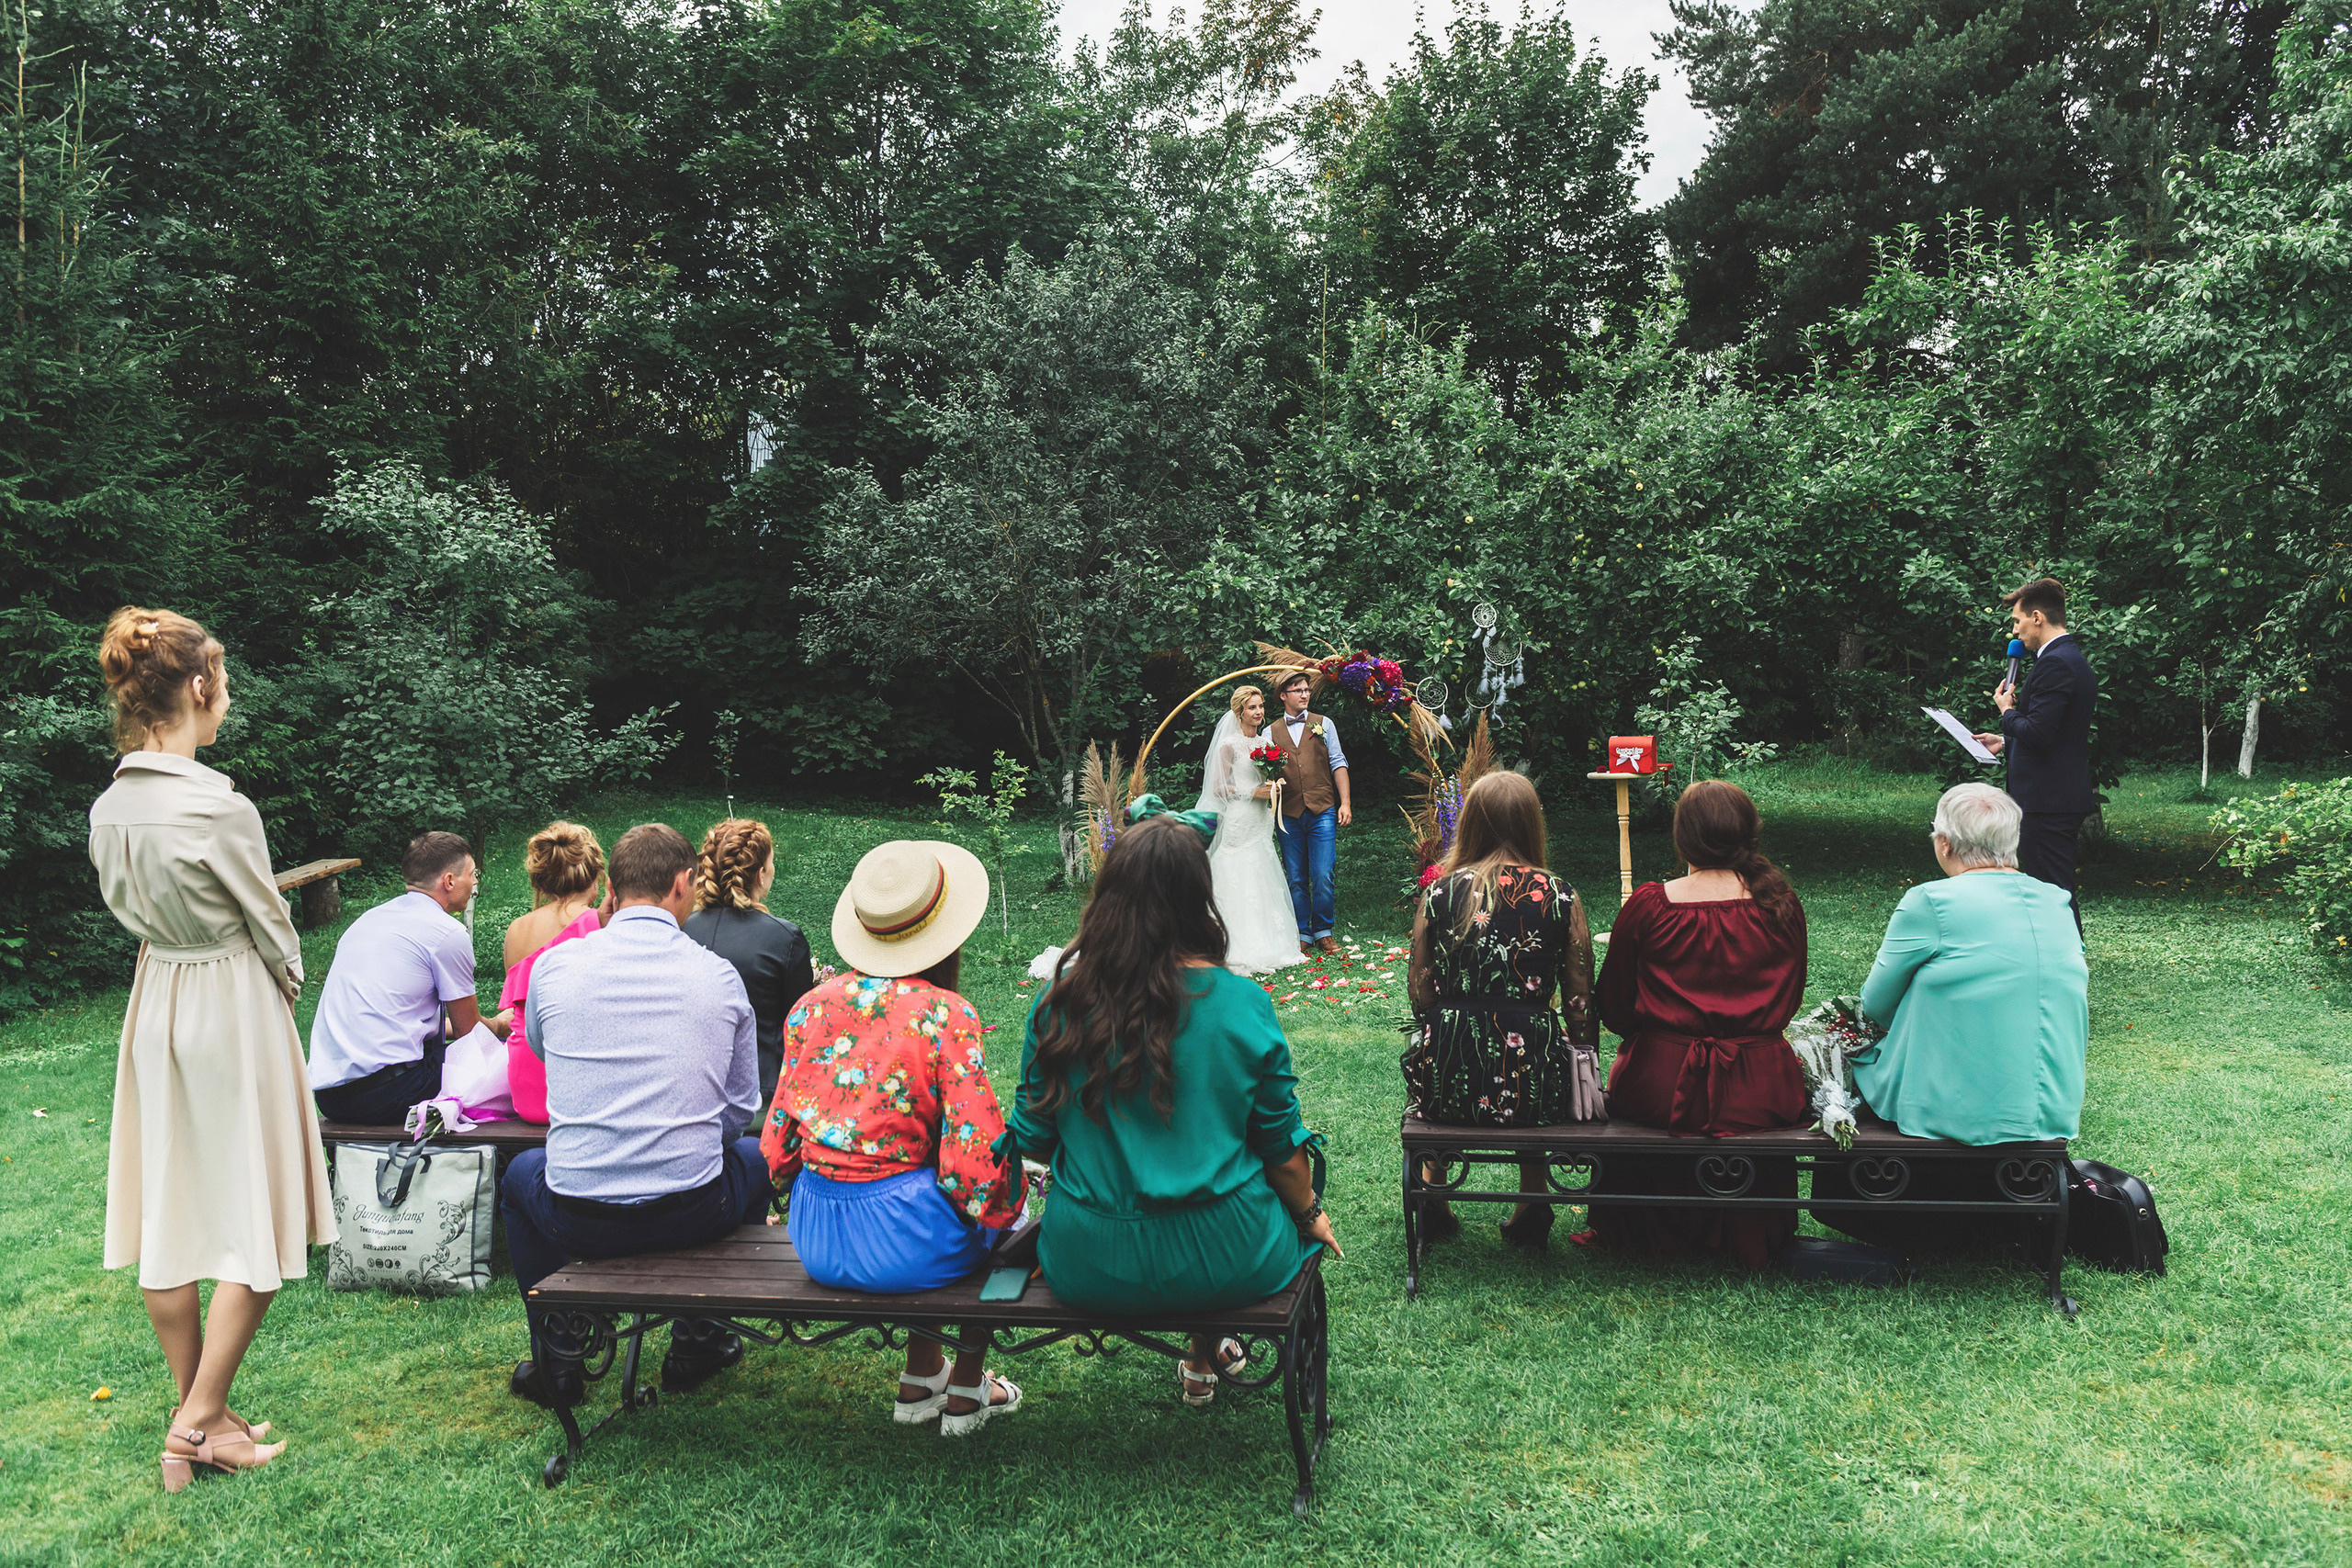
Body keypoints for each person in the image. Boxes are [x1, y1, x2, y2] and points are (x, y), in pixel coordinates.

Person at [87, 605, 337, 1491]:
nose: (226, 699)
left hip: (157, 996)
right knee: (257, 1208)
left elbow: (129, 909)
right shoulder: (218, 806)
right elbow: (272, 923)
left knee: (170, 1204)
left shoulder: (109, 808)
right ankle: (195, 1425)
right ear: (198, 687)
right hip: (230, 997)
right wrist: (287, 981)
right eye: (223, 683)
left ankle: (210, 1413)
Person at [1003, 810, 1340, 1407]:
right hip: (1228, 1254)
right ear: (1199, 899)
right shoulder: (1242, 1003)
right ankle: (1205, 1348)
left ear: (1109, 897)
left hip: (1092, 1257)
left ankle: (1205, 1351)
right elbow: (1280, 1150)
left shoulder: (1058, 1004)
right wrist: (1311, 1212)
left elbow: (1031, 1138)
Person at [502, 824, 770, 1408]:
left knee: (520, 1175)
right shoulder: (718, 975)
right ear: (683, 883)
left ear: (612, 891)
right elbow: (742, 1106)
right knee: (755, 1157)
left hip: (579, 1215)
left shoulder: (554, 967)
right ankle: (698, 1340)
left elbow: (543, 1051)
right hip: (692, 1209)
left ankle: (560, 1355)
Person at [765, 839, 1026, 1436]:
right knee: (999, 1212)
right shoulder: (945, 1014)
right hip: (902, 1240)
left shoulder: (810, 1007)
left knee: (927, 1187)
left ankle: (921, 1376)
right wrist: (1015, 1199)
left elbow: (778, 1149)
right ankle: (968, 1385)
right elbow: (976, 1166)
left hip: (816, 1234)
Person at [1815, 784, 2090, 1252]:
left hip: (1954, 1105)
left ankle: (1865, 1207)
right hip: (2049, 1103)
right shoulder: (2056, 901)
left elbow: (1876, 1003)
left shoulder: (1930, 901)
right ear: (2012, 841)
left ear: (1944, 843)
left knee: (1840, 1059)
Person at [1589, 780, 1811, 1269]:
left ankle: (1648, 1229)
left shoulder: (1650, 905)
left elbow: (1615, 1005)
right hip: (1760, 1083)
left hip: (1663, 1083)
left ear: (1682, 838)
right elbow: (1791, 997)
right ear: (1748, 833)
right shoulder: (1780, 903)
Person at [1401, 771, 1602, 1247]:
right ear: (1532, 825)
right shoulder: (1560, 894)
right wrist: (1582, 1053)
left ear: (1471, 823)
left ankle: (1434, 1195)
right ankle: (1532, 1201)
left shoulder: (1440, 892)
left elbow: (1419, 987)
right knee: (1529, 1064)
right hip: (1532, 1071)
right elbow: (1579, 997)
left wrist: (1446, 1022)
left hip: (1449, 1069)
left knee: (1448, 1059)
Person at [308, 831, 507, 1125]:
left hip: (331, 1097)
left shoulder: (368, 920)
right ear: (449, 881)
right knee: (504, 1059)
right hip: (391, 1091)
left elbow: (398, 1019)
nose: (475, 882)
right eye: (472, 874)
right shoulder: (447, 933)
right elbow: (469, 1035)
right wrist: (500, 1025)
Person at [1970, 577, 2098, 929]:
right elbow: (2057, 733)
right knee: (2051, 889)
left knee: (2052, 891)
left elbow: (2040, 734)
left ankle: (2067, 952)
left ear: (2037, 617)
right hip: (2055, 796)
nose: (2015, 631)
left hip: (2048, 800)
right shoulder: (2067, 658)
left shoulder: (2056, 663)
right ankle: (2060, 950)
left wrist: (2006, 711)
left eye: (2017, 621)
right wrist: (2005, 740)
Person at [684, 818, 815, 1102]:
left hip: (689, 1090)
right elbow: (800, 1025)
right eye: (771, 862)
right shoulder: (784, 939)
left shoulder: (681, 930)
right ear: (761, 874)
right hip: (760, 1098)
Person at [1192, 685, 1308, 976]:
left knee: (1261, 867)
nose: (1258, 712)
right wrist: (1253, 792)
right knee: (1237, 868)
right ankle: (1232, 940)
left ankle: (1269, 941)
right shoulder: (1228, 745)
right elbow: (1218, 787)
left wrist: (1271, 789)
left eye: (1260, 706)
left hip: (1261, 818)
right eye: (1252, 707)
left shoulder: (1265, 743)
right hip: (1240, 817)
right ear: (1239, 712)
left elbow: (1266, 776)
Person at [498, 821, 605, 1126]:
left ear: (541, 882)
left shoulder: (516, 930)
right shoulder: (599, 925)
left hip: (527, 1088)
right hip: (577, 1083)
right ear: (595, 877)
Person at [1266, 670, 1352, 958]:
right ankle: (1303, 933)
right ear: (1283, 696)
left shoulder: (1324, 724)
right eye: (1298, 690)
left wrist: (1345, 803)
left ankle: (1323, 931)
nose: (1305, 694)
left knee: (1323, 872)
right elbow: (1264, 773)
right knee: (1296, 877)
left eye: (1306, 690)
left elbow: (1338, 762)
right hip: (1287, 813)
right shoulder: (1270, 732)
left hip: (1322, 809)